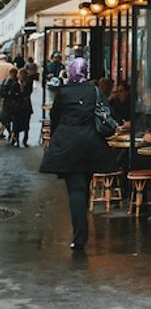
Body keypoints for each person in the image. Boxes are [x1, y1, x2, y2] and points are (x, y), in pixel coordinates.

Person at [39, 56, 117, 251]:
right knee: (85, 185)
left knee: (75, 190)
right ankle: (82, 231)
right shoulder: (94, 91)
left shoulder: (63, 93)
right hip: (91, 146)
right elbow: (107, 113)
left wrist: (58, 138)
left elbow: (55, 117)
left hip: (67, 146)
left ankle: (79, 237)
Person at [1, 67, 21, 145]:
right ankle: (12, 133)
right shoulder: (8, 82)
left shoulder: (13, 82)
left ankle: (13, 135)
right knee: (6, 120)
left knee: (10, 120)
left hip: (12, 104)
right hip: (11, 104)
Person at [14, 67, 33, 147]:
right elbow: (14, 93)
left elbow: (28, 93)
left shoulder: (28, 83)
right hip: (18, 107)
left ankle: (25, 140)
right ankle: (17, 140)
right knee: (16, 124)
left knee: (26, 124)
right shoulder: (16, 83)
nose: (21, 76)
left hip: (26, 106)